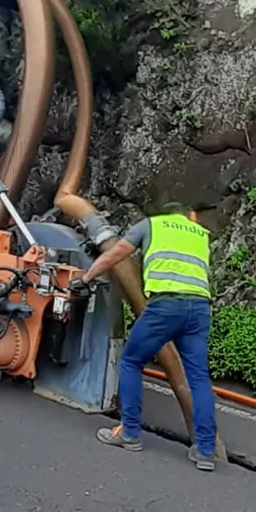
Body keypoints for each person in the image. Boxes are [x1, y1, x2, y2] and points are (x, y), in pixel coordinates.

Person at [77, 202, 218, 471]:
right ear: (188, 216)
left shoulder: (151, 225)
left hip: (165, 306)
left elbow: (115, 254)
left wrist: (86, 278)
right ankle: (206, 451)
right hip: (199, 309)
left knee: (131, 361)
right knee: (198, 376)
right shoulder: (199, 232)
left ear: (164, 215)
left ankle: (130, 433)